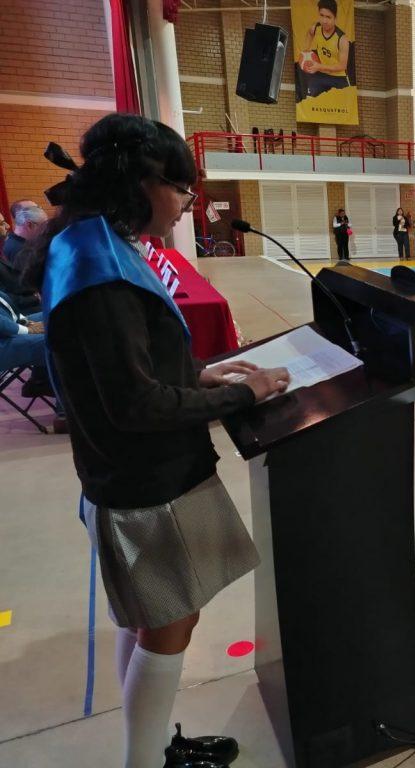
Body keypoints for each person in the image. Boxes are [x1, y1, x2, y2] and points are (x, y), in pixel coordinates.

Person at [22, 113, 291, 767]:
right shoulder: (100, 270)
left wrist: (198, 373)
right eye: (182, 190)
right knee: (168, 627)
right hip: (145, 484)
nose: (187, 206)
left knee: (153, 621)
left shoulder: (92, 243)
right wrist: (244, 394)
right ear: (143, 183)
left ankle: (156, 742)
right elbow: (135, 403)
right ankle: (146, 760)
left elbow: (122, 367)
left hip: (127, 472)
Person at [296, 0, 352, 99]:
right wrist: (306, 50)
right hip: (320, 75)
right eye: (322, 15)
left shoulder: (342, 39)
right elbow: (309, 33)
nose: (324, 21)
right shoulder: (316, 28)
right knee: (309, 102)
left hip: (338, 78)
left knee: (343, 105)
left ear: (335, 18)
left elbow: (342, 66)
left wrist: (319, 67)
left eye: (328, 17)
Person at [1, 202, 46, 313]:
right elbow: (7, 294)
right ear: (30, 225)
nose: (8, 226)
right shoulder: (18, 250)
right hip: (22, 311)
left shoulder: (19, 245)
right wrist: (36, 297)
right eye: (1, 223)